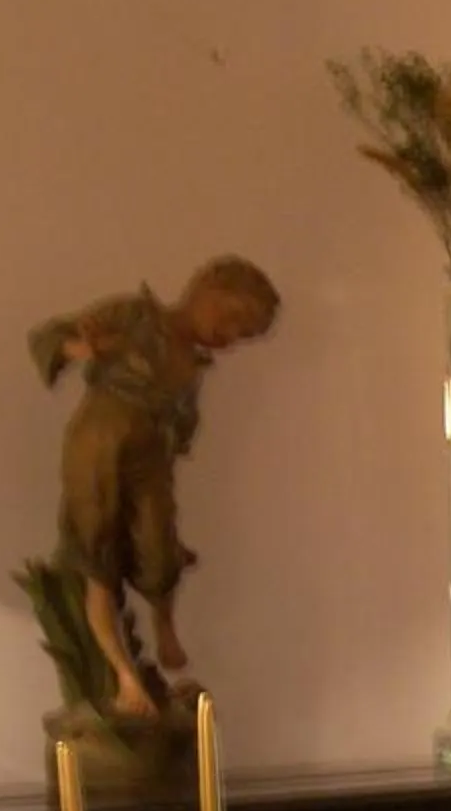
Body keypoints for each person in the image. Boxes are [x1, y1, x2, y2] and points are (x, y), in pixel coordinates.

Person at [28, 257, 281, 718]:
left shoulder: (192, 364)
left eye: (238, 337)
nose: (227, 340)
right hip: (101, 444)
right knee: (97, 555)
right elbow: (48, 337)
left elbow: (179, 422)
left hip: (150, 458)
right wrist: (79, 349)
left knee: (158, 544)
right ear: (206, 291)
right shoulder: (134, 316)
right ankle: (125, 678)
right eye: (228, 323)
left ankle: (164, 623)